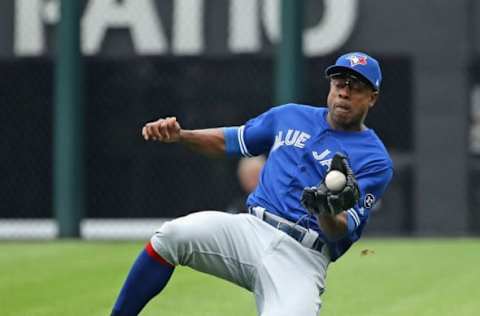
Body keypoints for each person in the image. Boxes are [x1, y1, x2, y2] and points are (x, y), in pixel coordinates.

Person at [111, 52, 393, 316]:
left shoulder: (375, 160)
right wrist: (182, 135)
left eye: (355, 86)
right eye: (339, 82)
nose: (344, 91)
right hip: (249, 230)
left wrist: (326, 210)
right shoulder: (290, 115)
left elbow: (337, 232)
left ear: (373, 98)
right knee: (172, 236)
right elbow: (230, 140)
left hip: (302, 257)